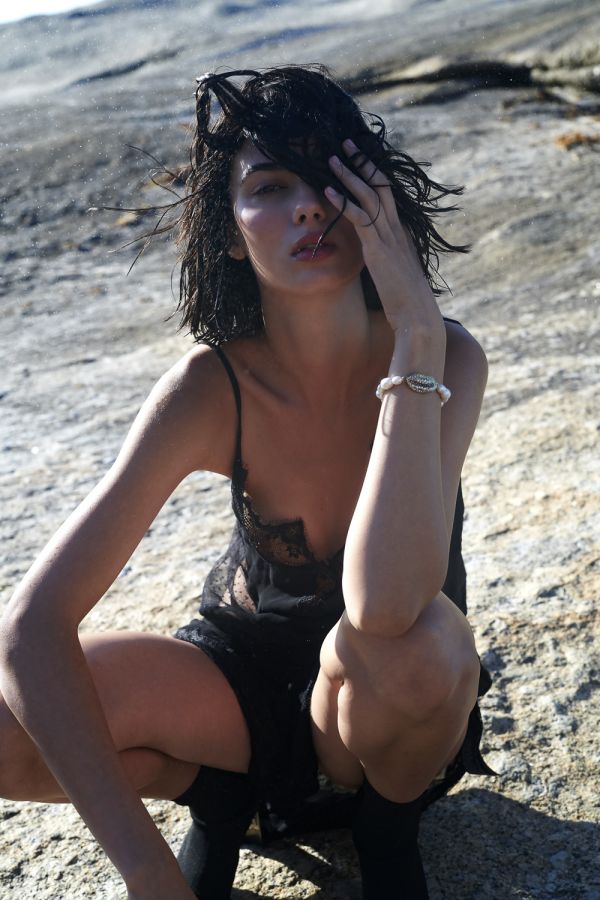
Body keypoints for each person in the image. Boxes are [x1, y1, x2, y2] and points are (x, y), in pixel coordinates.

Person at [0, 65, 494, 900]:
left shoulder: (448, 354)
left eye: (327, 174)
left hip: (385, 711)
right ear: (230, 233)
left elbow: (384, 609)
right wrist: (148, 873)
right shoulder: (211, 389)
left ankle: (387, 827)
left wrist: (416, 331)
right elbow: (31, 626)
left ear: (371, 195)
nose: (307, 206)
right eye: (270, 186)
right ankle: (217, 795)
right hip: (237, 700)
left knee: (420, 646)